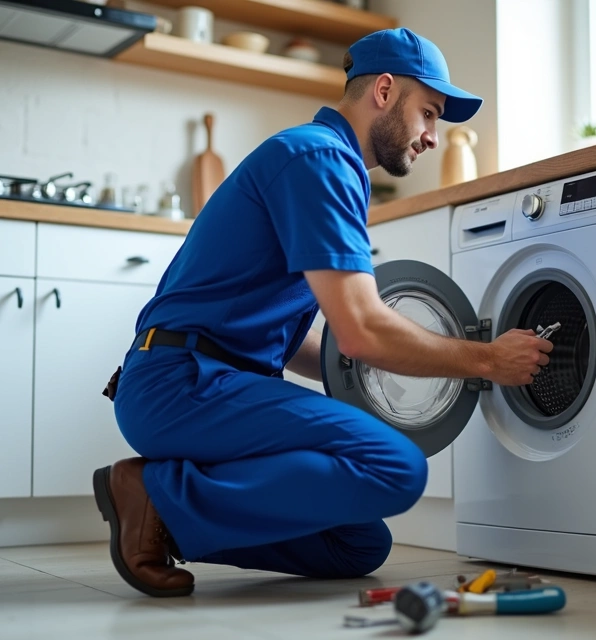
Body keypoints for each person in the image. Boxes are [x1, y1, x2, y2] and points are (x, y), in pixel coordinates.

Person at [93, 27, 553, 598]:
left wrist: (365, 372)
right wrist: (485, 360)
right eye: (429, 114)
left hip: (204, 379)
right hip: (184, 385)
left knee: (357, 545)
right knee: (398, 468)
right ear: (384, 91)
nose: (433, 136)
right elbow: (359, 329)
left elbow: (313, 341)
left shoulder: (323, 162)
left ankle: (172, 518)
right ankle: (156, 495)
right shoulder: (319, 159)